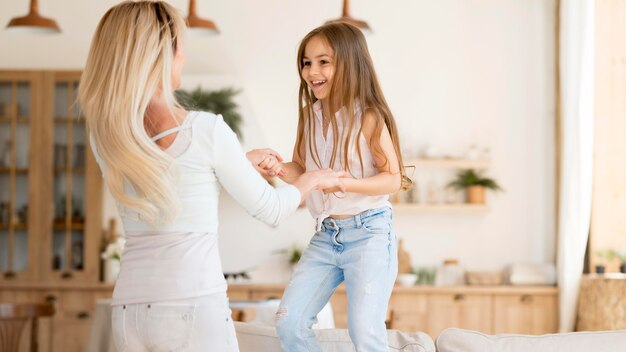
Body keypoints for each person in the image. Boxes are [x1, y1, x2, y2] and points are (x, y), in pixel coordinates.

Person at [77, 2, 345, 351]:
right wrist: (312, 178)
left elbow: (168, 176)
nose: (184, 58)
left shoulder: (106, 137)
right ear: (163, 53)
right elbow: (274, 210)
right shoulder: (205, 130)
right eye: (181, 48)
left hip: (129, 308)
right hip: (192, 304)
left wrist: (235, 161)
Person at [252, 22, 412, 351]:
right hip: (326, 236)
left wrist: (344, 182)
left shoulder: (369, 116)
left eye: (324, 61)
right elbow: (302, 169)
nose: (312, 71)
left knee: (365, 331)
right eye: (307, 62)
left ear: (349, 63)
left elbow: (393, 178)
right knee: (288, 320)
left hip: (369, 232)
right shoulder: (308, 116)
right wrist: (278, 168)